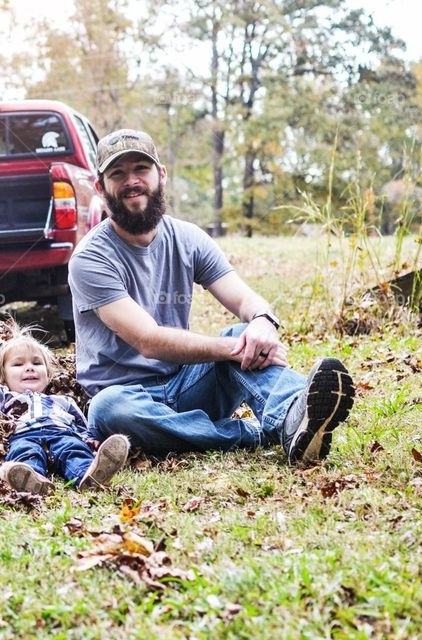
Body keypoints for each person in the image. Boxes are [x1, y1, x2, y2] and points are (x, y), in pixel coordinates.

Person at [68, 129, 355, 466]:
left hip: (188, 384)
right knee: (108, 409)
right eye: (118, 173)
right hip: (129, 399)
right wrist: (237, 350)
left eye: (141, 169)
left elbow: (243, 298)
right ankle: (253, 434)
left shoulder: (187, 237)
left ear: (160, 175)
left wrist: (262, 322)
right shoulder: (90, 258)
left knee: (241, 332)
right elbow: (148, 340)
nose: (132, 181)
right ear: (101, 188)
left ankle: (295, 416)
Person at [0, 328, 130, 494]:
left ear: (48, 373)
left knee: (73, 449)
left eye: (36, 363)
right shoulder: (5, 397)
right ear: (3, 377)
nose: (30, 367)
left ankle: (88, 475)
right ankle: (31, 480)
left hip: (62, 432)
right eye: (18, 364)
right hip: (23, 434)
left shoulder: (63, 401)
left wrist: (89, 440)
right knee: (24, 452)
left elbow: (81, 425)